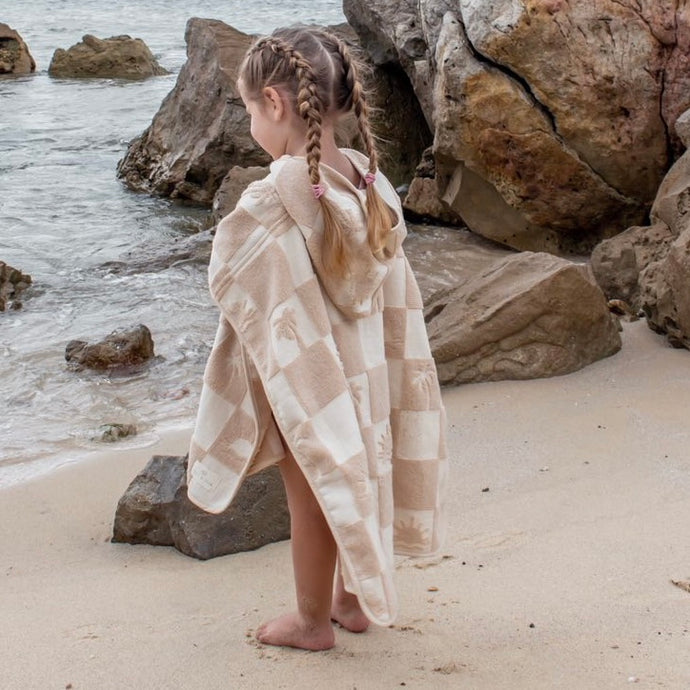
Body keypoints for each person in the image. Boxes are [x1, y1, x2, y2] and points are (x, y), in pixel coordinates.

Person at [187, 26, 447, 651]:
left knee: (312, 495)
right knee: (360, 472)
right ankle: (350, 604)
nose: (251, 122)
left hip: (316, 378)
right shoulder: (371, 185)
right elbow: (390, 299)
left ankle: (310, 623)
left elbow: (232, 270)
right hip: (367, 375)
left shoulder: (275, 202)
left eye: (249, 110)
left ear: (275, 105)